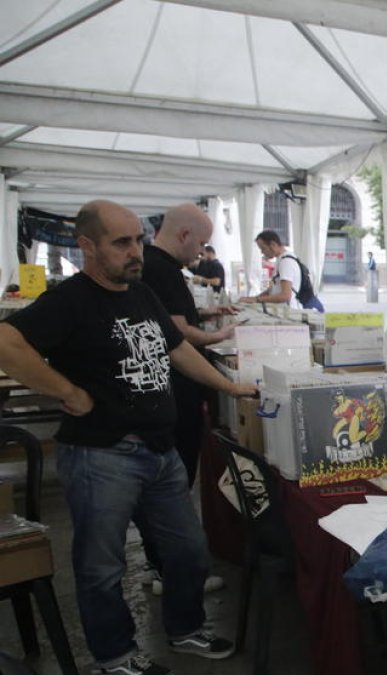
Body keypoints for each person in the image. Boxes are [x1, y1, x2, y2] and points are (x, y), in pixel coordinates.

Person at [0, 200, 258, 675]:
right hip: (101, 454)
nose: (134, 251)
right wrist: (66, 391)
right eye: (121, 243)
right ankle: (114, 656)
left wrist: (228, 386)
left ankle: (184, 629)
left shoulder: (140, 292)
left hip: (159, 451)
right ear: (86, 246)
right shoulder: (70, 299)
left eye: (137, 239)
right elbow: (6, 342)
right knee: (102, 567)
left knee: (188, 551)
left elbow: (176, 348)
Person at [138, 204, 238, 595]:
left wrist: (209, 313)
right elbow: (178, 334)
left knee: (169, 483)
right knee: (173, 483)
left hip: (171, 392)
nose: (202, 252)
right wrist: (220, 335)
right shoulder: (159, 268)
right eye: (201, 243)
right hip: (173, 395)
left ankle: (162, 566)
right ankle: (173, 572)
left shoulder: (162, 267)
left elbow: (178, 319)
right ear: (183, 235)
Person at [240, 230, 303, 309]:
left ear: (273, 244)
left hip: (288, 310)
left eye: (263, 248)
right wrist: (252, 299)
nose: (262, 252)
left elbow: (285, 295)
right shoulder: (280, 260)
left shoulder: (286, 262)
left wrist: (256, 299)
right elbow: (272, 290)